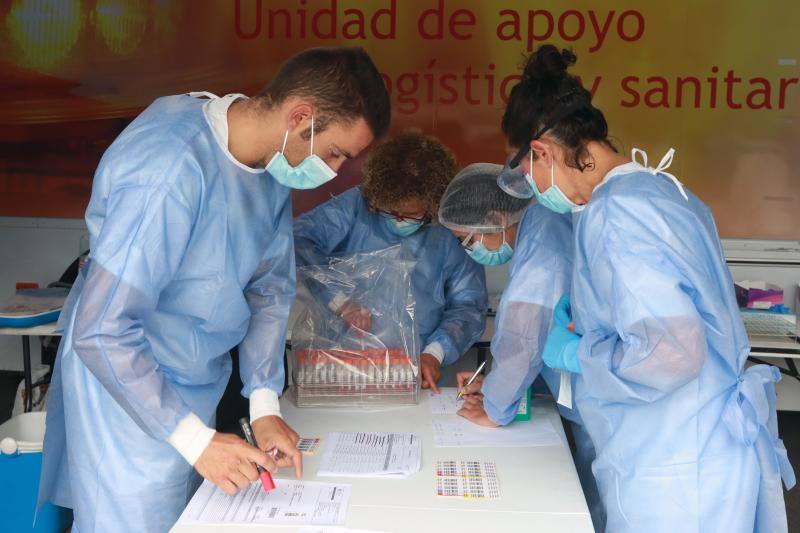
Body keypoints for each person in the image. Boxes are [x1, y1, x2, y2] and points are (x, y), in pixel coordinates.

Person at [38, 46, 391, 533]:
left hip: (194, 380)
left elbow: (269, 290)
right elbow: (103, 328)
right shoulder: (169, 169)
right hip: (127, 388)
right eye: (335, 152)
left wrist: (263, 405)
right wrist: (195, 440)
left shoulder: (266, 164)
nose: (333, 170)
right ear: (300, 116)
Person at [498, 44, 795, 532]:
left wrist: (579, 354)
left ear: (541, 151)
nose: (529, 183)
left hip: (673, 470)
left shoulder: (613, 213)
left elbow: (671, 353)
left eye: (525, 170)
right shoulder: (665, 191)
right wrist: (597, 322)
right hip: (706, 451)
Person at [438, 163, 604, 531]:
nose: (470, 250)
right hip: (590, 391)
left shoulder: (543, 244)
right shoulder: (540, 225)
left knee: (602, 502)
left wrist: (495, 408)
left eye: (469, 239)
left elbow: (525, 336)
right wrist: (497, 382)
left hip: (602, 402)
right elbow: (545, 336)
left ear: (497, 217)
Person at [293, 131, 487, 392]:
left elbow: (468, 304)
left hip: (417, 367)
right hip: (346, 364)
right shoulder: (355, 205)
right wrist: (341, 302)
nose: (398, 219)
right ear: (375, 196)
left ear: (432, 207)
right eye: (389, 210)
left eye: (411, 215)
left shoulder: (449, 228)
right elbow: (300, 240)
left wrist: (434, 353)